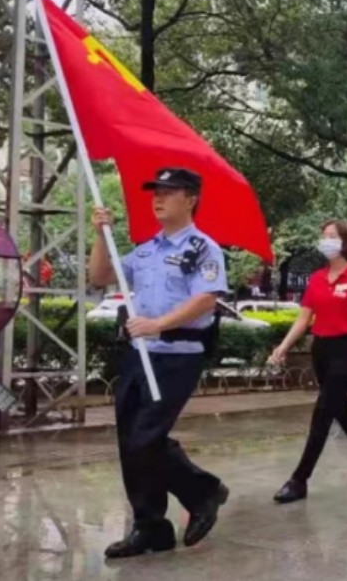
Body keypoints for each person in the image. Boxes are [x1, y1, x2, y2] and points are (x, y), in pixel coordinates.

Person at [89, 167, 230, 559]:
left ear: (191, 198)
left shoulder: (203, 248)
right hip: (139, 355)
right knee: (131, 441)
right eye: (156, 192)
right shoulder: (146, 250)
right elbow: (100, 276)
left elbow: (206, 299)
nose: (158, 198)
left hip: (177, 357)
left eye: (169, 192)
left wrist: (158, 324)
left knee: (145, 438)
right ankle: (151, 526)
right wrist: (100, 235)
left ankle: (202, 492)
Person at [268, 220, 347, 504]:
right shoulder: (317, 279)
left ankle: (299, 479)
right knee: (340, 410)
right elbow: (303, 318)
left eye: (332, 236)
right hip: (321, 349)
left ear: (345, 241)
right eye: (323, 236)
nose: (326, 241)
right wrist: (283, 347)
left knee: (323, 412)